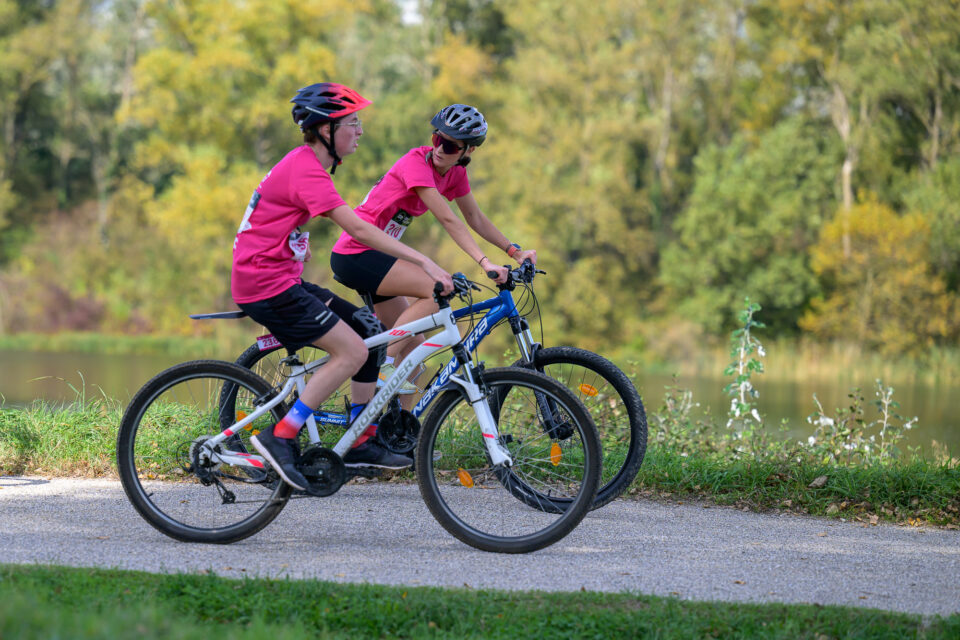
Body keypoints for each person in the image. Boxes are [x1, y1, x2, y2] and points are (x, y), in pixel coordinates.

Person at [232, 82, 454, 491]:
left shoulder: (305, 165)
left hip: (278, 278)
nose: (360, 130)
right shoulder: (305, 168)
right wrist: (423, 260)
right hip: (267, 286)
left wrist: (295, 244)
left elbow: (270, 219)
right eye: (353, 122)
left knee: (369, 332)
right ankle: (280, 435)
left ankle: (362, 438)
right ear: (325, 129)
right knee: (351, 350)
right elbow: (356, 228)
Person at [330, 104, 537, 399]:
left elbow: (475, 218)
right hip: (357, 251)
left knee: (414, 356)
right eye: (437, 139)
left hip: (379, 257)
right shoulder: (416, 162)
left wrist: (513, 251)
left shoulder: (454, 175)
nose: (440, 149)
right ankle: (381, 363)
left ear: (468, 151)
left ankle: (396, 439)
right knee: (435, 289)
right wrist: (485, 262)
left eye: (451, 146)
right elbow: (448, 218)